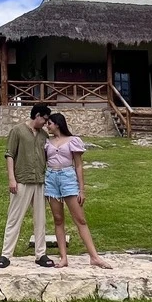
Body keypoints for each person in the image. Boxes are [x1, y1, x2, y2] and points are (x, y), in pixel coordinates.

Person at [43, 113, 112, 269]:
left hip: (68, 178)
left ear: (58, 124)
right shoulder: (47, 142)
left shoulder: (73, 141)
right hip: (51, 178)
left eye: (50, 123)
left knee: (80, 219)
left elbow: (79, 165)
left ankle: (94, 257)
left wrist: (81, 189)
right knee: (58, 219)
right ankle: (63, 258)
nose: (47, 126)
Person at [0, 104, 55, 269]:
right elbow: (9, 154)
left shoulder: (44, 135)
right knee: (14, 218)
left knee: (40, 220)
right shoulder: (17, 131)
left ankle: (41, 254)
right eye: (44, 119)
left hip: (40, 182)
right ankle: (5, 255)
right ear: (37, 115)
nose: (45, 123)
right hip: (21, 180)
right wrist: (11, 179)